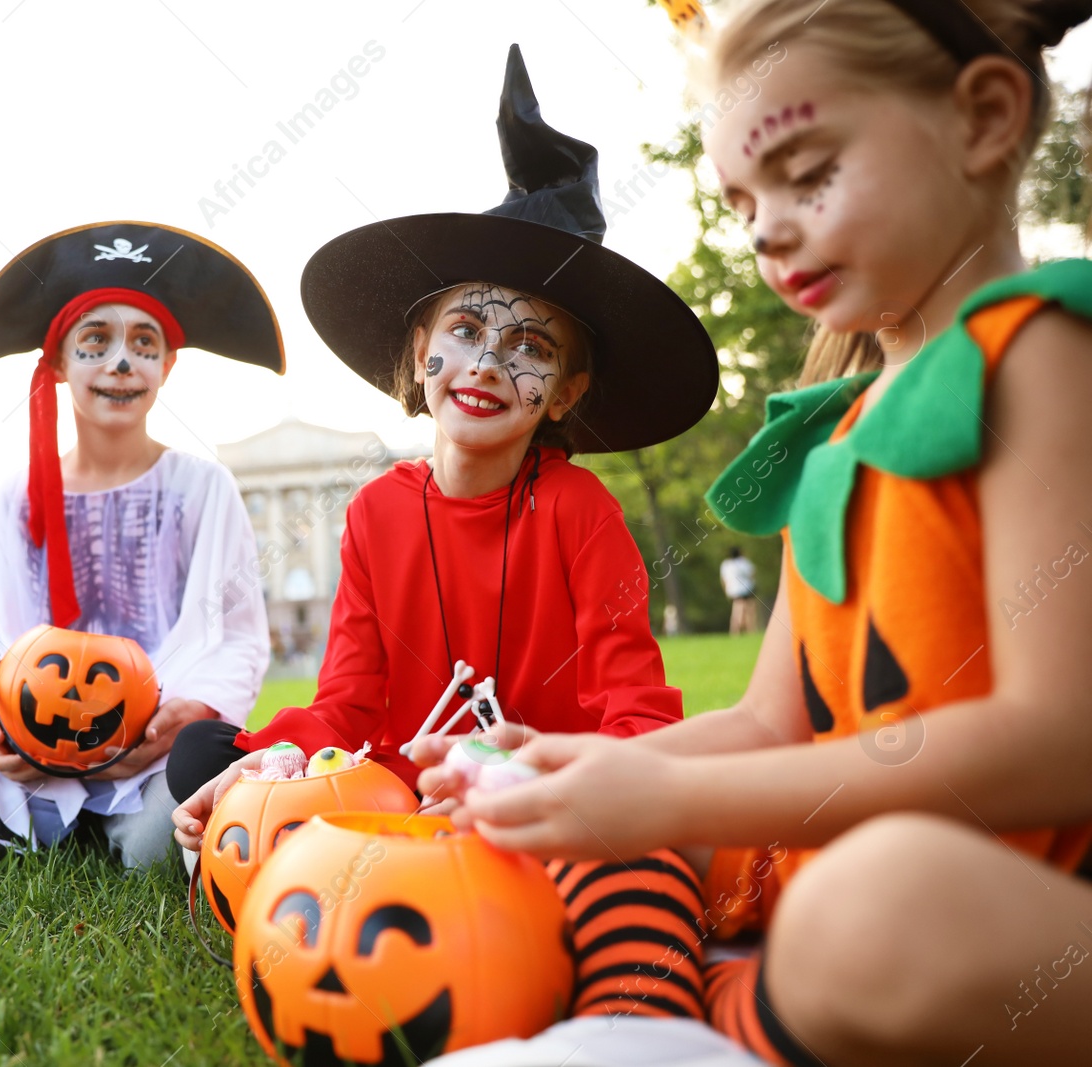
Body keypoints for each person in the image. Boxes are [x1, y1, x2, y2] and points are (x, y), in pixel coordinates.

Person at [417, 2, 1092, 1063]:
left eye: (807, 171)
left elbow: (1061, 745)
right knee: (607, 826)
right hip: (860, 893)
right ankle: (666, 1009)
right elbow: (774, 724)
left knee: (871, 901)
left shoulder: (1043, 356)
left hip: (1015, 910)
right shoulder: (849, 428)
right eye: (742, 202)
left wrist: (668, 793)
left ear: (984, 119)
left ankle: (695, 1026)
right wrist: (569, 767)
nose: (769, 228)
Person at [170, 45, 723, 1024]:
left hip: (538, 794)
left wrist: (530, 772)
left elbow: (633, 710)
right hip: (398, 788)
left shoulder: (580, 512)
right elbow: (345, 700)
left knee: (642, 850)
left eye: (530, 346)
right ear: (422, 347)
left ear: (568, 391)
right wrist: (271, 759)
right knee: (209, 763)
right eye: (467, 330)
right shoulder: (379, 510)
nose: (488, 363)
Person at [0, 222, 278, 872]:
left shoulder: (203, 487)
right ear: (58, 365)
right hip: (36, 734)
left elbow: (238, 635)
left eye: (143, 343)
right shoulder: (16, 495)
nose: (120, 362)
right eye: (96, 341)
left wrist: (186, 710)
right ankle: (63, 818)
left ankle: (106, 826)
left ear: (167, 366)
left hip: (151, 740)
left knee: (157, 854)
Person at [721, 546, 759, 634]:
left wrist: (726, 591)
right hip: (746, 590)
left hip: (733, 591)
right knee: (750, 612)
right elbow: (752, 574)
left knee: (737, 611)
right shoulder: (744, 562)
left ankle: (735, 631)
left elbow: (724, 580)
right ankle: (751, 630)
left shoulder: (726, 564)